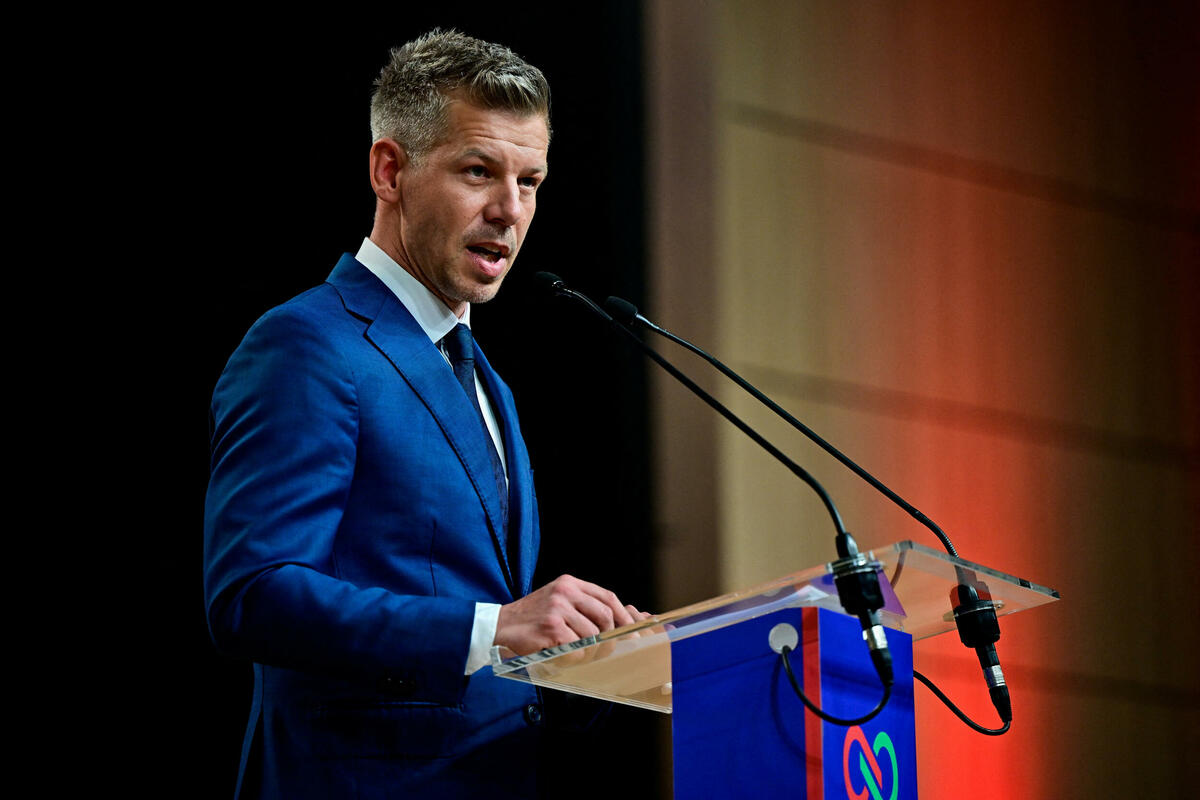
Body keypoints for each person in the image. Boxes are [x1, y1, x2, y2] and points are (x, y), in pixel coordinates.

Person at [204, 30, 643, 799]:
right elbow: (253, 595)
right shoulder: (307, 344)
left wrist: (578, 659)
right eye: (479, 172)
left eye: (530, 181)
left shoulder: (488, 382)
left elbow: (483, 629)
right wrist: (495, 628)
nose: (510, 210)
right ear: (389, 171)